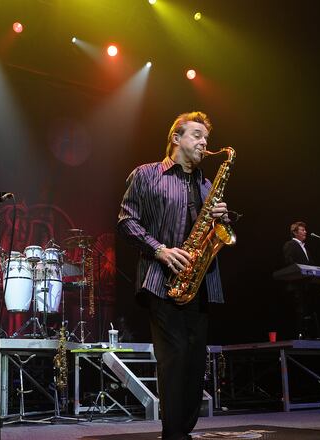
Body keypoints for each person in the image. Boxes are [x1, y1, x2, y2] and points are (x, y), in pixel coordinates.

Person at [118, 111, 230, 440]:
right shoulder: (146, 174)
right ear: (176, 139)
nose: (204, 142)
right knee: (175, 355)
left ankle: (183, 429)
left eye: (205, 137)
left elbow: (216, 235)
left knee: (196, 362)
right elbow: (126, 221)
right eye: (196, 135)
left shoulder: (207, 184)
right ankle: (173, 434)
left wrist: (221, 219)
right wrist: (161, 250)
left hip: (200, 282)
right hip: (160, 279)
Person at [282, 221, 320, 339]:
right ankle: (300, 335)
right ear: (294, 232)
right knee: (300, 311)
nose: (305, 232)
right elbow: (289, 263)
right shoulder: (290, 244)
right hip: (297, 286)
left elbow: (311, 265)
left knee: (309, 311)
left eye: (305, 230)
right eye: (302, 230)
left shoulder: (305, 248)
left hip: (307, 285)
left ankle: (311, 335)